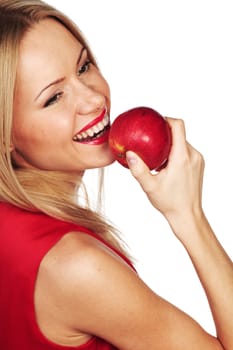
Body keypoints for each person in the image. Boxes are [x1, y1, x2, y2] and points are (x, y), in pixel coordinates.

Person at [0, 0, 232, 349]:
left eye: (84, 66)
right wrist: (189, 215)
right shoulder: (76, 265)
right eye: (53, 98)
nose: (93, 99)